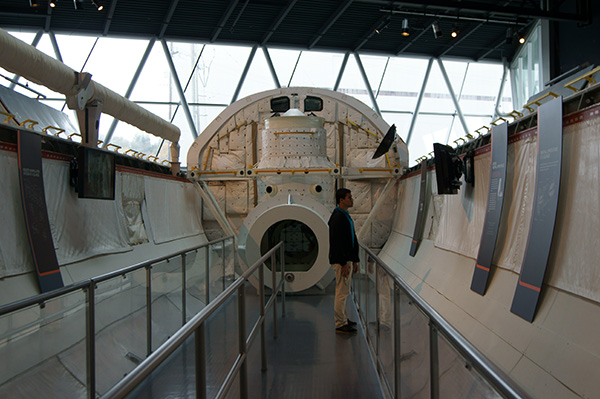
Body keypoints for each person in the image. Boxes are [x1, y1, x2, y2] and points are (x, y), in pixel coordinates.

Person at [328, 188, 359, 334]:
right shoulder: (337, 218)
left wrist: (355, 260)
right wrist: (343, 263)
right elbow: (337, 243)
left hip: (347, 260)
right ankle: (340, 323)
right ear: (341, 200)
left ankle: (344, 318)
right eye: (349, 197)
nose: (352, 200)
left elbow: (352, 238)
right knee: (341, 292)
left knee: (344, 291)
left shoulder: (344, 216)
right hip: (342, 262)